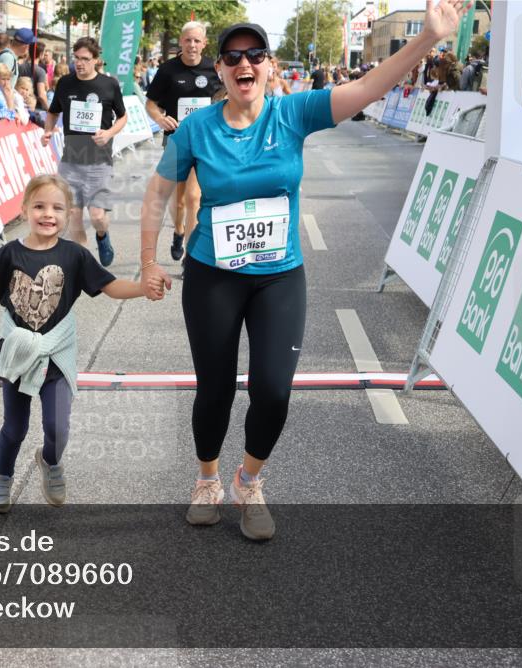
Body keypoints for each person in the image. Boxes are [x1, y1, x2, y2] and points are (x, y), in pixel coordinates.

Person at [139, 1, 470, 541]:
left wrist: (427, 39)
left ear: (269, 66)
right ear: (220, 70)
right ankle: (206, 480)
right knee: (215, 388)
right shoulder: (197, 128)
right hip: (212, 276)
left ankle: (249, 480)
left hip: (278, 278)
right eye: (232, 57)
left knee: (273, 389)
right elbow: (157, 193)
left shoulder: (292, 113)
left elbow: (367, 89)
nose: (243, 64)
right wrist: (150, 260)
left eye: (254, 55)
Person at [0, 174, 145, 512]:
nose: (48, 214)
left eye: (58, 208)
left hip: (56, 356)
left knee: (57, 428)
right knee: (14, 428)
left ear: (69, 214)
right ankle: (2, 477)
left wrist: (142, 288)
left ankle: (50, 462)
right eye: (40, 206)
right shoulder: (9, 254)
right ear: (24, 209)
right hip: (18, 355)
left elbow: (109, 285)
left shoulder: (75, 255)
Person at [42, 37, 127, 267]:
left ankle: (102, 236)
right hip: (71, 162)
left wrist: (109, 134)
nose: (79, 63)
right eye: (76, 58)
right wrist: (48, 131)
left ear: (96, 60)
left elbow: (123, 117)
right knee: (73, 217)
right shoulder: (65, 83)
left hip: (99, 162)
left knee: (98, 216)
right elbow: (52, 112)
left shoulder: (109, 85)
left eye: (85, 59)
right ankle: (79, 266)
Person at [145, 21, 223, 264]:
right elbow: (151, 103)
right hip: (177, 142)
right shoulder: (168, 70)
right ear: (181, 42)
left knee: (194, 198)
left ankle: (192, 257)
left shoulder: (214, 68)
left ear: (204, 44)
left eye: (197, 41)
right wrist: (160, 118)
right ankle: (178, 232)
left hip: (205, 143)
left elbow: (223, 95)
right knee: (178, 200)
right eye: (188, 40)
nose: (192, 45)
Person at [20, 39, 49, 114]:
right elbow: (41, 95)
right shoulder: (40, 71)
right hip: (35, 108)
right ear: (41, 54)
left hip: (20, 105)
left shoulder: (19, 67)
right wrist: (49, 109)